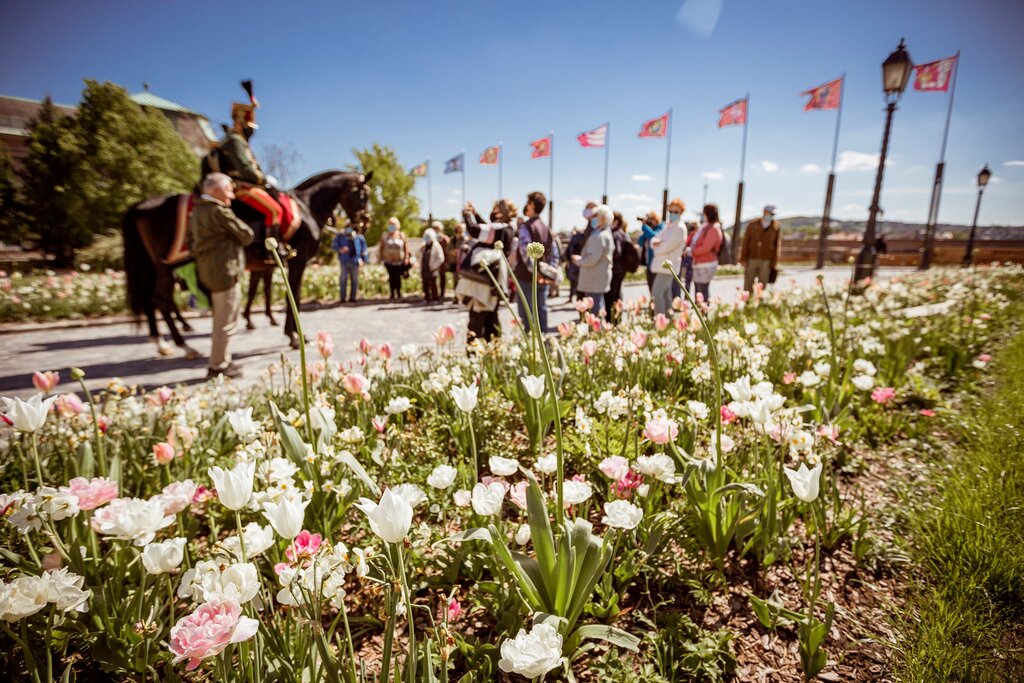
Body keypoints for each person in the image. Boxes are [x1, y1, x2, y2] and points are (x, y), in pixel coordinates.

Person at [189, 173, 254, 379]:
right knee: (225, 322)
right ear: (215, 191)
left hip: (208, 270)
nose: (232, 196)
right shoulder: (218, 211)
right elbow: (246, 235)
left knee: (221, 320)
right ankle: (217, 366)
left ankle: (222, 360)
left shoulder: (198, 210)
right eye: (228, 190)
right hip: (224, 272)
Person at [214, 91, 291, 261]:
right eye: (249, 127)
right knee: (274, 210)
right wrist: (264, 179)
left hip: (247, 185)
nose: (251, 132)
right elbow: (245, 169)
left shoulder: (237, 141)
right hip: (242, 187)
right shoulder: (235, 140)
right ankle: (271, 250)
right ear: (240, 123)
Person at [458, 200, 517, 343]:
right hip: (494, 280)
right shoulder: (507, 228)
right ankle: (493, 348)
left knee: (477, 315)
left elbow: (476, 230)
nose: (493, 211)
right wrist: (476, 214)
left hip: (482, 281)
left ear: (501, 211)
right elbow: (487, 229)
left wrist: (466, 216)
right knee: (491, 315)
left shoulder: (498, 229)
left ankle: (473, 350)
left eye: (495, 208)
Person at [514, 191, 558, 333]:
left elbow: (525, 250)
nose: (525, 205)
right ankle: (543, 339)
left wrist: (536, 272)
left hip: (528, 277)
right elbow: (554, 253)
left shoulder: (526, 226)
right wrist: (548, 273)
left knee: (527, 310)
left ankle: (532, 345)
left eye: (527, 202)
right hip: (543, 277)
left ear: (532, 205)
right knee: (542, 308)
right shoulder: (546, 227)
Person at [573, 204, 614, 317]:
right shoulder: (602, 233)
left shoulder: (600, 236)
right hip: (596, 277)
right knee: (597, 306)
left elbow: (592, 259)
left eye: (596, 216)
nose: (593, 219)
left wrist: (579, 260)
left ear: (602, 218)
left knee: (595, 311)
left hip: (594, 278)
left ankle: (596, 332)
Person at [649, 198, 688, 316]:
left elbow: (667, 246)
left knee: (657, 293)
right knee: (666, 294)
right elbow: (655, 239)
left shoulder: (680, 228)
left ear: (681, 212)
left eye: (676, 211)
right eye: (671, 211)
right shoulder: (668, 226)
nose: (673, 214)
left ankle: (660, 318)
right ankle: (668, 318)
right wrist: (656, 243)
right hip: (662, 265)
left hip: (668, 266)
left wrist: (657, 247)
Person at [739, 204, 782, 292]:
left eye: (773, 215)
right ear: (764, 212)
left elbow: (777, 245)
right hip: (752, 258)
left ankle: (760, 304)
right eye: (770, 213)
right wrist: (743, 258)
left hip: (767, 260)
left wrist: (774, 262)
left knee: (763, 285)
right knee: (748, 283)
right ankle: (748, 303)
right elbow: (746, 242)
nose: (771, 216)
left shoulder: (776, 227)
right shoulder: (752, 225)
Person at [690, 204, 725, 302]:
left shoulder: (714, 228)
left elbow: (706, 247)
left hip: (706, 263)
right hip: (699, 263)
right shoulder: (706, 226)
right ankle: (699, 312)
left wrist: (692, 252)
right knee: (698, 290)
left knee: (702, 290)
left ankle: (703, 313)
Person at [332, 223, 368, 302]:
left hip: (355, 261)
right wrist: (341, 249)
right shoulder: (341, 236)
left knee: (354, 280)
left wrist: (364, 260)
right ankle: (343, 298)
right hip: (344, 261)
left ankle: (353, 297)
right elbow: (334, 245)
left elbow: (364, 249)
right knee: (343, 279)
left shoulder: (359, 237)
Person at [605, 211, 629, 323]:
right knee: (617, 295)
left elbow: (617, 252)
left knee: (612, 297)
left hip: (615, 270)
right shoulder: (622, 233)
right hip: (620, 269)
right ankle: (616, 319)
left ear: (615, 221)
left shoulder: (615, 234)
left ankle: (612, 321)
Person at [379, 217, 410, 299]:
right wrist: (380, 259)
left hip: (399, 261)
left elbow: (406, 247)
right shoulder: (385, 235)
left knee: (397, 277)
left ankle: (399, 292)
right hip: (388, 260)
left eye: (393, 225)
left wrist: (406, 258)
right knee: (391, 276)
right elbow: (381, 248)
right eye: (390, 224)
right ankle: (392, 293)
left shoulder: (401, 235)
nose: (391, 226)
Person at [636, 211, 663, 293]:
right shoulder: (647, 230)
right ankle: (652, 303)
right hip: (649, 263)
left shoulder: (660, 227)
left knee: (657, 289)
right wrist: (645, 228)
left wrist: (645, 226)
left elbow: (654, 236)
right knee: (650, 286)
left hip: (657, 263)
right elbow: (640, 242)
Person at [420, 228, 446, 303]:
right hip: (425, 267)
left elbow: (441, 257)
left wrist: (434, 266)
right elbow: (418, 255)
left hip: (433, 268)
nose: (427, 238)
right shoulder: (424, 246)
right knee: (425, 284)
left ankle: (435, 298)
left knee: (433, 284)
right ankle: (427, 298)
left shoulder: (436, 245)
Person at [431, 221, 451, 298]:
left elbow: (448, 252)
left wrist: (447, 262)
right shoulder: (432, 238)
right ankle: (435, 293)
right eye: (434, 229)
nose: (436, 230)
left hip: (443, 261)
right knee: (434, 277)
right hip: (434, 261)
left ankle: (442, 293)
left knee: (442, 276)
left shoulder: (445, 239)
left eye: (437, 229)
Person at [447, 222, 466, 296]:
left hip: (461, 263)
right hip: (454, 262)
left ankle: (461, 296)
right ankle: (456, 296)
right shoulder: (452, 239)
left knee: (461, 280)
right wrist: (453, 252)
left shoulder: (464, 239)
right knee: (455, 280)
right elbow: (447, 250)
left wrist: (458, 252)